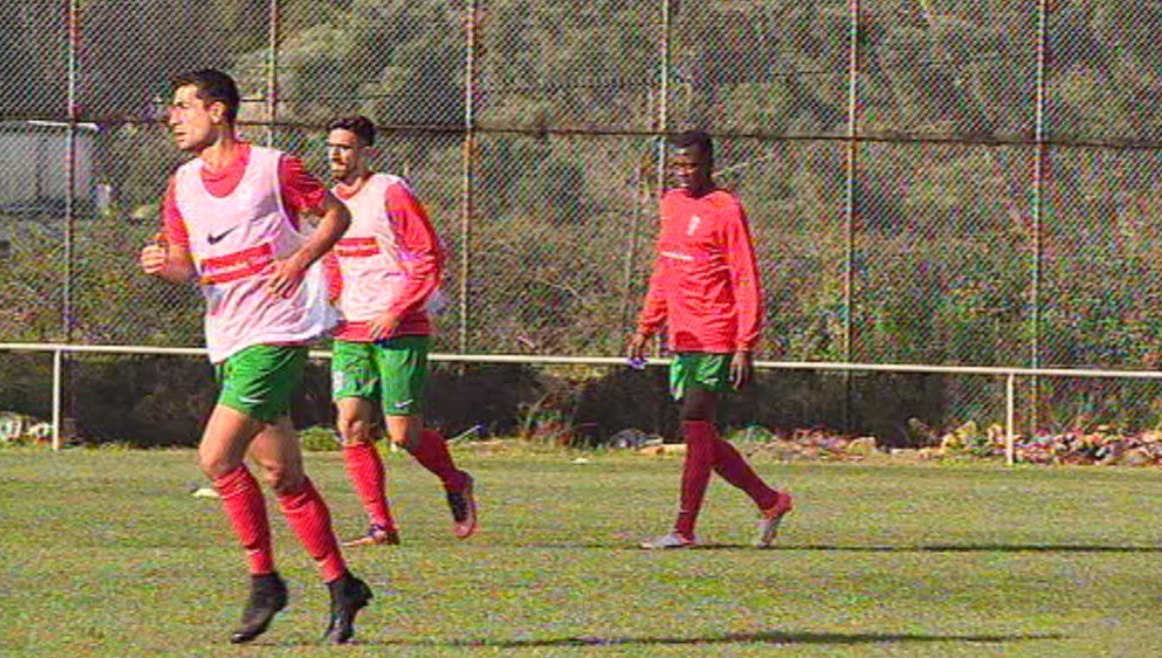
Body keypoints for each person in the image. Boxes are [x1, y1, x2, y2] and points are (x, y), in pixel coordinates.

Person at [139, 69, 371, 644]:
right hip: (228, 337)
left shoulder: (275, 167)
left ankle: (264, 580)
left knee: (217, 457)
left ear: (218, 111)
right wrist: (162, 266)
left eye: (183, 106)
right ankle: (343, 584)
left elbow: (337, 217)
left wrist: (300, 260)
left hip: (277, 335)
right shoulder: (182, 183)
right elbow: (186, 265)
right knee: (282, 475)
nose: (173, 117)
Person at [627, 130, 793, 550]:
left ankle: (683, 529)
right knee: (699, 435)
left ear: (709, 165)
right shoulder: (670, 204)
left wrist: (745, 343)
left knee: (696, 423)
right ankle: (769, 501)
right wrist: (646, 326)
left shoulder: (726, 209)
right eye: (678, 166)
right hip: (681, 334)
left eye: (692, 166)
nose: (684, 173)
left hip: (717, 333)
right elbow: (665, 271)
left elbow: (744, 276)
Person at [323, 115, 476, 547]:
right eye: (332, 146)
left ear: (366, 152)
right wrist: (330, 306)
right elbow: (332, 261)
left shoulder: (390, 192)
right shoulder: (331, 202)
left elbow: (429, 255)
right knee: (351, 425)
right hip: (351, 328)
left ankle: (455, 480)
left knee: (402, 435)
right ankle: (381, 526)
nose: (336, 155)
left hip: (399, 328)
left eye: (346, 147)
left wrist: (398, 309)